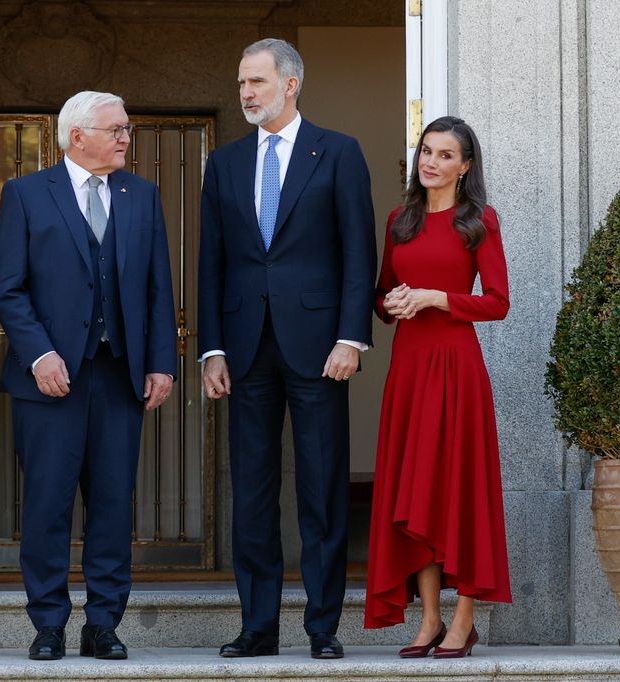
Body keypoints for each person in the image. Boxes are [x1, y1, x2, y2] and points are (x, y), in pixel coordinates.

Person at [198, 38, 376, 659]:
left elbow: (359, 252)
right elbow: (211, 262)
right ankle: (258, 627)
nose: (246, 93)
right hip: (245, 347)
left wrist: (351, 337)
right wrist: (211, 348)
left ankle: (323, 627)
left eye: (257, 82)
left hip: (321, 347)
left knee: (322, 490)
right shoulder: (224, 163)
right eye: (241, 82)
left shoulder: (339, 152)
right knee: (250, 492)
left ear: (291, 84)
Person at [0, 91, 177, 661]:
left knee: (113, 504)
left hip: (119, 375)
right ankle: (48, 624)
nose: (125, 138)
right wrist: (40, 355)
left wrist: (161, 361)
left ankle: (103, 625)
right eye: (115, 129)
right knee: (47, 505)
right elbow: (8, 288)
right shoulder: (25, 194)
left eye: (126, 128)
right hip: (48, 379)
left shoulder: (142, 195)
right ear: (78, 136)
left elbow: (158, 286)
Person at [363, 116, 511, 659]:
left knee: (458, 489)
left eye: (446, 155)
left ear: (465, 166)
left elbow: (497, 302)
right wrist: (393, 302)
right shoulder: (399, 220)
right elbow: (381, 296)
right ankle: (428, 620)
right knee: (416, 491)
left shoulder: (479, 221)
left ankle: (463, 622)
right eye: (427, 151)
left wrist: (436, 298)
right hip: (408, 368)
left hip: (457, 367)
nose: (431, 162)